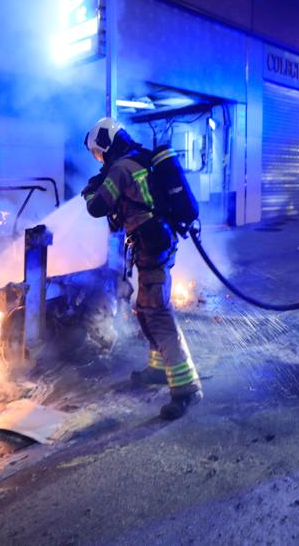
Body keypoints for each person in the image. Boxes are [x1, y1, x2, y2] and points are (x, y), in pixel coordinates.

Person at [80, 117, 202, 420]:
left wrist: (90, 189)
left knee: (158, 314)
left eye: (98, 152)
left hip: (154, 248)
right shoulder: (139, 160)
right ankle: (158, 369)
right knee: (145, 307)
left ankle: (187, 388)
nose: (99, 158)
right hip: (156, 245)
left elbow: (96, 207)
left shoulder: (121, 168)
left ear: (107, 144)